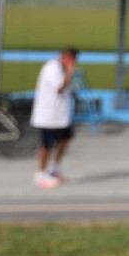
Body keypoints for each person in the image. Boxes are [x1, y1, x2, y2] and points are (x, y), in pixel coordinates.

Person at [30, 47, 80, 189]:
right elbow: (59, 88)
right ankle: (40, 173)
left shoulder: (61, 69)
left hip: (62, 115)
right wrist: (70, 73)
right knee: (47, 145)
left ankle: (55, 168)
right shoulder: (52, 68)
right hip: (48, 116)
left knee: (65, 140)